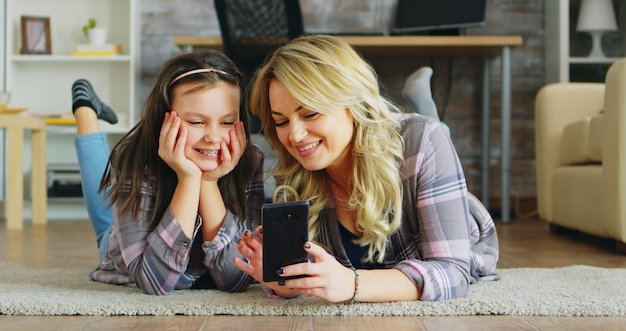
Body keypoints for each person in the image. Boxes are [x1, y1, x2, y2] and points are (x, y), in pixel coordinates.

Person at [234, 35, 499, 303]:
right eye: (281, 121)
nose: (295, 135)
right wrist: (285, 283)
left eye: (310, 113)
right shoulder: (296, 172)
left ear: (353, 104)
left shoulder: (423, 142)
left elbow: (453, 273)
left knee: (433, 132)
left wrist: (352, 284)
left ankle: (426, 107)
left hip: (440, 202)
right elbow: (314, 278)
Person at [71, 49, 265, 295]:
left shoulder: (249, 159)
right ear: (165, 119)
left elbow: (236, 279)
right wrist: (188, 179)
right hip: (125, 244)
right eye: (196, 122)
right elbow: (154, 282)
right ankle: (85, 109)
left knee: (107, 215)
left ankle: (86, 106)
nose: (214, 137)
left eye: (227, 122)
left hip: (157, 230)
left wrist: (208, 182)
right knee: (105, 224)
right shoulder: (135, 159)